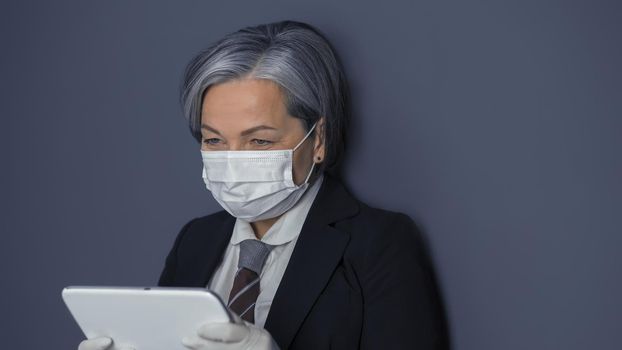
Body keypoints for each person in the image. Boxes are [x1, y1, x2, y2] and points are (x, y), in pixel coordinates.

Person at [78, 20, 449, 350]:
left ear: (318, 139)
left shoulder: (380, 244)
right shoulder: (194, 241)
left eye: (260, 142)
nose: (234, 161)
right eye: (214, 141)